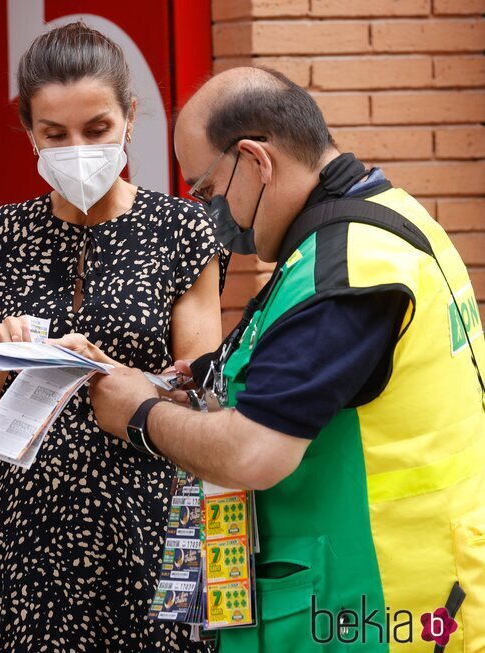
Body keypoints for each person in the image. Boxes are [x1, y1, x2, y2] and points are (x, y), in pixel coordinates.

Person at [68, 67, 485, 652]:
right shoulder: (383, 218)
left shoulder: (343, 269)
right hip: (405, 594)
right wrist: (216, 373)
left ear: (254, 161)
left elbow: (255, 453)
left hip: (377, 609)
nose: (211, 215)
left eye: (208, 192)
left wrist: (141, 416)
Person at [0, 23, 226, 652]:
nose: (77, 149)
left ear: (129, 118)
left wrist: (113, 374)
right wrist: (4, 361)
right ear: (29, 132)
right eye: (54, 134)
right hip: (30, 536)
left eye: (95, 129)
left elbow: (207, 401)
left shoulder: (183, 230)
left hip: (153, 524)